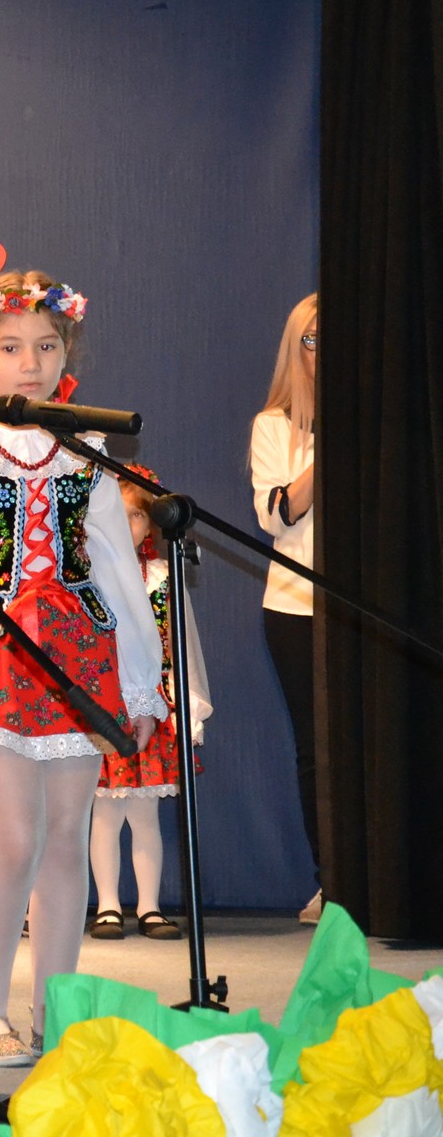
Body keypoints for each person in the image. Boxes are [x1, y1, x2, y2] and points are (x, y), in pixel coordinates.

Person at [0, 271, 162, 1066]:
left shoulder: (84, 452)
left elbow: (117, 568)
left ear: (67, 353)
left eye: (46, 346)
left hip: (77, 653)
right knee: (16, 836)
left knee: (65, 837)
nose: (30, 363)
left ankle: (57, 1007)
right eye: (11, 346)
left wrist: (140, 681)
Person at [89, 472, 211, 941]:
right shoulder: (90, 576)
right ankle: (107, 904)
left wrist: (186, 707)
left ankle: (149, 906)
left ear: (151, 524)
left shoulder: (162, 579)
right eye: (118, 515)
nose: (128, 524)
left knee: (144, 814)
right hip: (106, 709)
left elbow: (181, 649)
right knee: (105, 814)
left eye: (137, 515)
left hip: (153, 712)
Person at [251, 292, 321, 923]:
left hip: (368, 610)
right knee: (315, 748)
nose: (322, 355)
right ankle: (333, 881)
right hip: (297, 607)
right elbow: (277, 515)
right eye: (312, 341)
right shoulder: (274, 426)